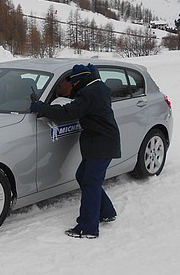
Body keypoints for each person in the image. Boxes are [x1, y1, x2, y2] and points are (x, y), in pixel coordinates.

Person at [30, 63, 121, 239]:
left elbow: (68, 112)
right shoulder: (99, 87)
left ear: (81, 80)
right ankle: (107, 212)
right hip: (103, 142)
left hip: (100, 144)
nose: (73, 85)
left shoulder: (88, 93)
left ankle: (87, 228)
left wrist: (41, 107)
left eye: (74, 81)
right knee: (84, 177)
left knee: (91, 183)